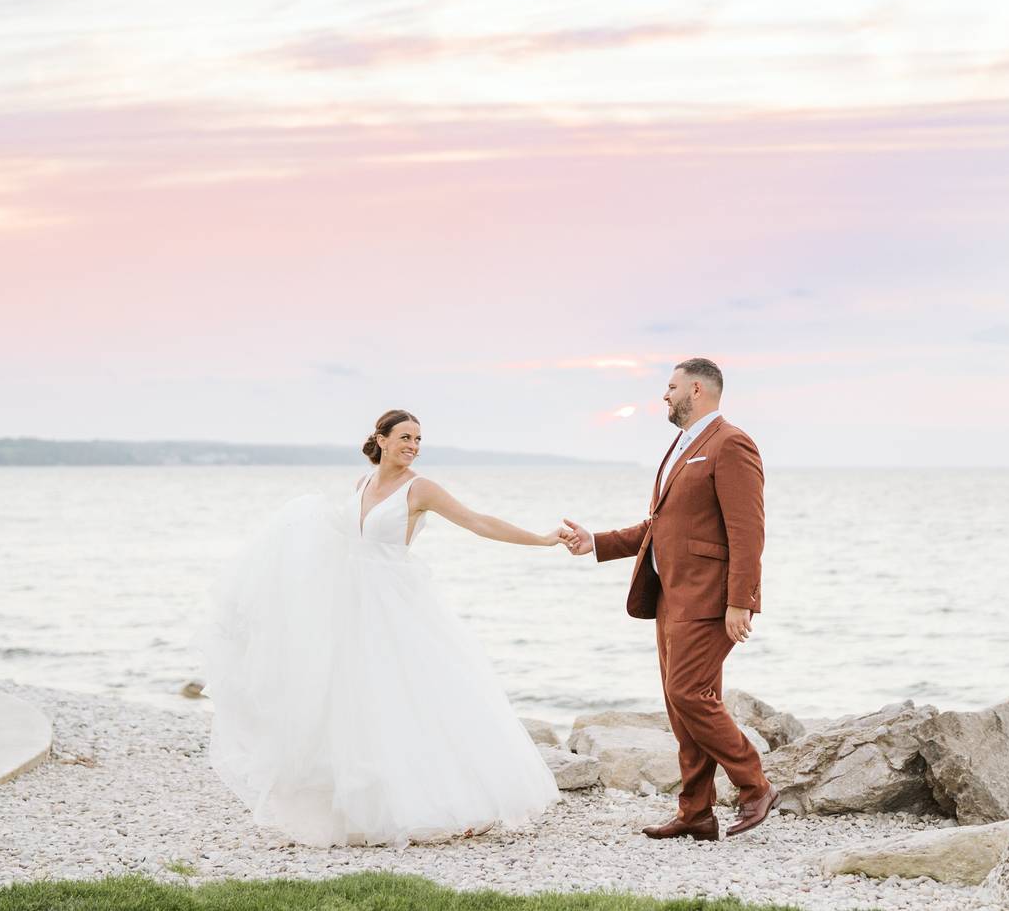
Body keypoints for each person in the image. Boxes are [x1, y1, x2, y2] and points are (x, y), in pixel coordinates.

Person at [195, 409, 565, 847]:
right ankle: (361, 806)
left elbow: (478, 521)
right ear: (382, 439)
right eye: (405, 437)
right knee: (356, 702)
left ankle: (444, 800)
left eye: (419, 439)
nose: (413, 445)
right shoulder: (362, 484)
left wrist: (543, 539)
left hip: (397, 606)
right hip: (350, 607)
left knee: (412, 697)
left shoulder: (421, 487)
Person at [563, 357, 778, 841]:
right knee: (681, 706)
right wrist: (594, 542)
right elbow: (659, 527)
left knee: (688, 694)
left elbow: (749, 531)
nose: (664, 395)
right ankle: (696, 812)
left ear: (697, 389)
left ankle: (755, 786)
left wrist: (741, 600)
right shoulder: (681, 448)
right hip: (670, 596)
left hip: (708, 597)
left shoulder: (731, 442)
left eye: (671, 386)